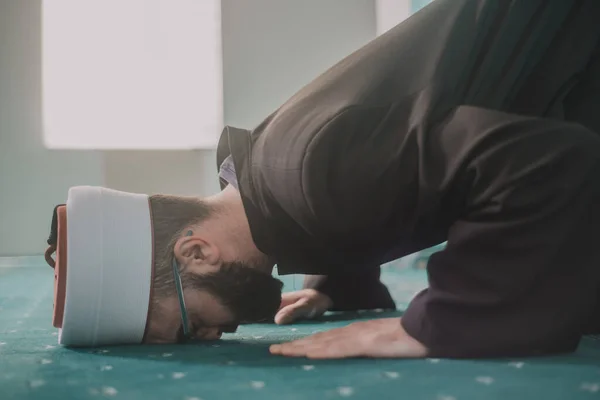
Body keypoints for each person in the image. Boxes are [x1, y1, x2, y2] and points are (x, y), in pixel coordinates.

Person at [46, 0, 600, 358]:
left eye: (188, 324)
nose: (211, 336)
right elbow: (392, 178)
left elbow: (544, 161)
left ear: (196, 253)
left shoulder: (307, 177)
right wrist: (336, 284)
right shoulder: (280, 182)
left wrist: (442, 322)